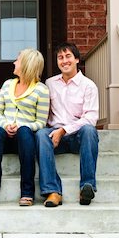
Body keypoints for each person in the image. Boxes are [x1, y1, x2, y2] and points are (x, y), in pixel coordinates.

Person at [0, 48, 49, 207]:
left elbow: (41, 122)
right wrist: (6, 125)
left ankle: (27, 192)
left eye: (17, 60)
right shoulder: (7, 85)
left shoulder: (42, 90)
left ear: (26, 64)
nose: (14, 62)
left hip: (25, 141)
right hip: (4, 137)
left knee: (24, 131)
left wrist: (21, 126)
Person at [36, 42, 99, 207]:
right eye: (60, 57)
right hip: (56, 138)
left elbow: (91, 118)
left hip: (78, 137)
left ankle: (87, 186)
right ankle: (53, 191)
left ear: (77, 59)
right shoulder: (49, 84)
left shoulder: (88, 86)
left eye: (68, 56)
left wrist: (64, 130)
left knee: (89, 130)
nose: (64, 61)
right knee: (41, 134)